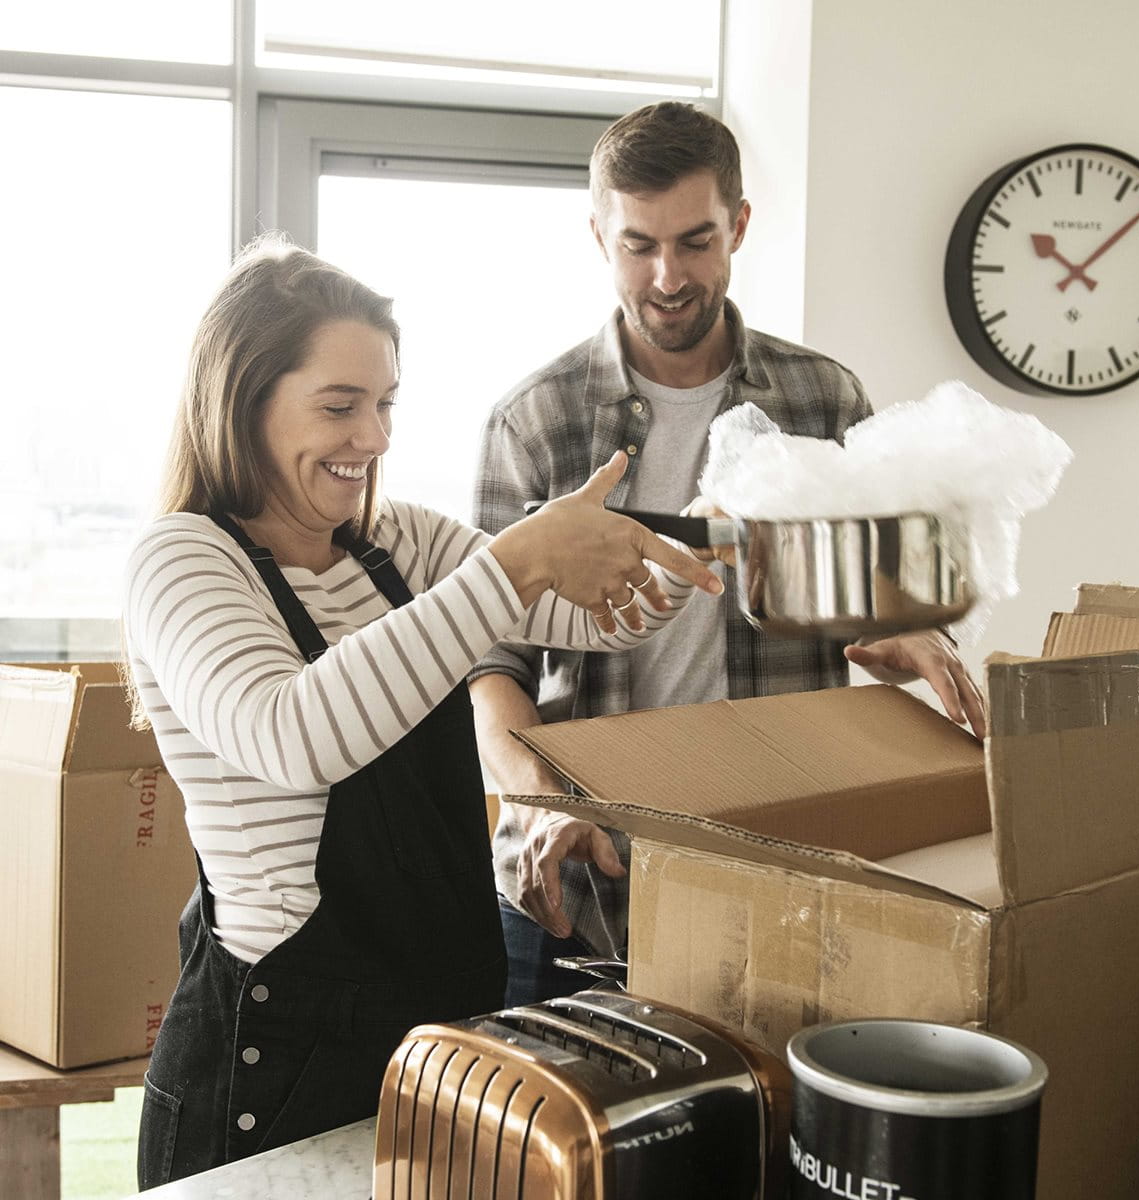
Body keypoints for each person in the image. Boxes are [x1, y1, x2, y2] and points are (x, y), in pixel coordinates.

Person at [121, 236, 724, 1187]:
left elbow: (586, 619)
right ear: (242, 401)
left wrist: (688, 554)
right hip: (278, 1058)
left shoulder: (396, 543)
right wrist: (515, 560)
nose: (375, 438)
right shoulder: (182, 561)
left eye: (386, 403)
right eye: (340, 406)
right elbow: (295, 734)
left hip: (435, 1035)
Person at [468, 101, 986, 1007]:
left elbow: (869, 592)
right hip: (583, 876)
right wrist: (539, 794)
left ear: (739, 225)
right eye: (638, 246)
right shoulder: (534, 421)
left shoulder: (824, 400)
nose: (667, 276)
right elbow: (485, 660)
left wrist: (905, 626)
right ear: (599, 235)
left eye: (696, 241)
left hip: (784, 871)